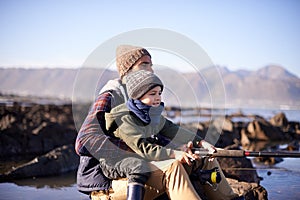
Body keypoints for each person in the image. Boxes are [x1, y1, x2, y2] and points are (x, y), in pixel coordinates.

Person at [75, 45, 238, 200]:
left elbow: (166, 129)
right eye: (144, 64)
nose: (151, 69)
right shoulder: (110, 97)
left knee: (204, 158)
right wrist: (145, 153)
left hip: (144, 166)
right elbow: (84, 141)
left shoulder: (145, 98)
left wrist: (197, 145)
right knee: (173, 166)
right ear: (127, 70)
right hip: (108, 180)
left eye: (151, 65)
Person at [105, 69, 220, 200]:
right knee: (174, 165)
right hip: (121, 176)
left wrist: (201, 143)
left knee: (206, 156)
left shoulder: (151, 115)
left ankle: (230, 198)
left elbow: (173, 129)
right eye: (153, 93)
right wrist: (175, 154)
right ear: (138, 95)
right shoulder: (124, 119)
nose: (158, 97)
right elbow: (144, 148)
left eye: (159, 93)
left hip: (145, 166)